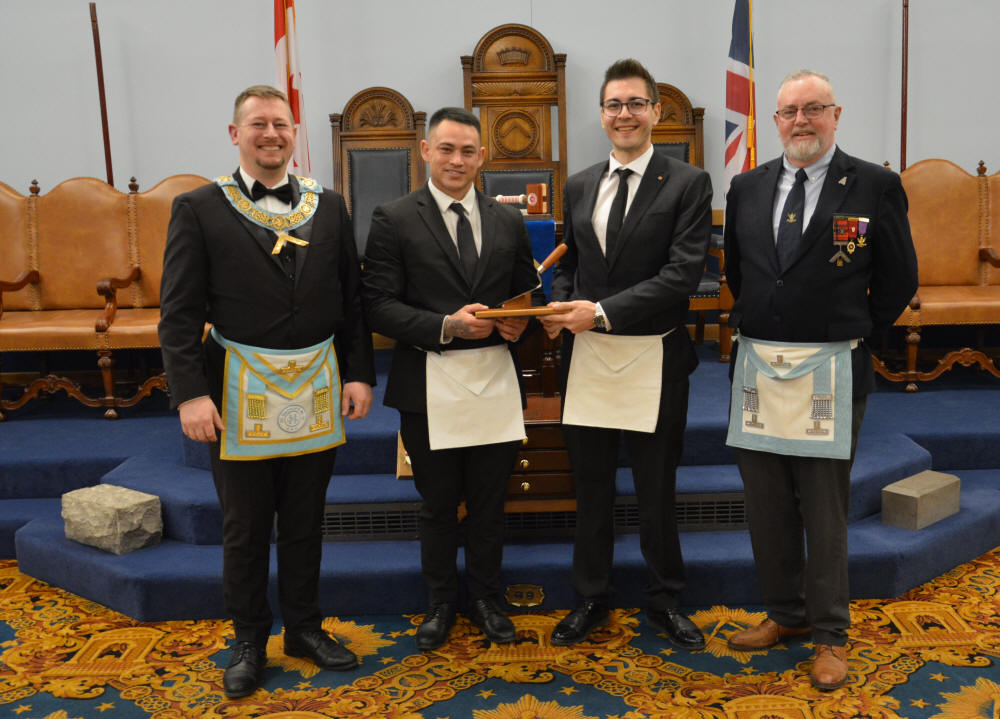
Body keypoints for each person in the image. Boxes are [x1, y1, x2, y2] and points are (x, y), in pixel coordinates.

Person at [158, 85, 375, 699]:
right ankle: (249, 639)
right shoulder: (198, 208)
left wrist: (359, 373)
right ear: (236, 134)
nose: (271, 134)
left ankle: (304, 628)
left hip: (315, 386)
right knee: (247, 527)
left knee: (305, 521)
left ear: (293, 133)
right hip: (237, 391)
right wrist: (189, 395)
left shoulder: (328, 206)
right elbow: (178, 314)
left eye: (281, 123)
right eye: (258, 124)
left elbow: (352, 300)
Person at [723, 70, 918, 690]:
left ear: (836, 115)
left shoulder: (874, 185)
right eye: (789, 111)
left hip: (831, 367)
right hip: (758, 366)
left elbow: (900, 277)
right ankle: (785, 614)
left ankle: (831, 633)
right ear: (775, 120)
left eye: (813, 108)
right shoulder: (747, 187)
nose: (800, 120)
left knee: (824, 506)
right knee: (766, 502)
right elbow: (739, 272)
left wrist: (853, 328)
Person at [539, 59, 712, 650]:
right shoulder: (580, 184)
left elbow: (681, 276)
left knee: (655, 488)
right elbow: (571, 261)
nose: (625, 114)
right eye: (614, 104)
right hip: (588, 359)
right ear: (602, 114)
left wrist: (600, 312)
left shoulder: (687, 183)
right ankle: (591, 595)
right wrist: (562, 306)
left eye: (636, 103)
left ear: (656, 112)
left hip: (653, 358)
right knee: (592, 488)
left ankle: (665, 598)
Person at [362, 107, 539, 651]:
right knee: (438, 505)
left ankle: (486, 599)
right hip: (428, 382)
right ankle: (440, 603)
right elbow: (377, 305)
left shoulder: (508, 221)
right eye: (446, 149)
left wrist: (520, 323)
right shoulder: (393, 218)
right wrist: (445, 325)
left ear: (482, 157)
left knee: (488, 504)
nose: (456, 160)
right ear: (425, 151)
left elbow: (528, 298)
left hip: (494, 381)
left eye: (467, 151)